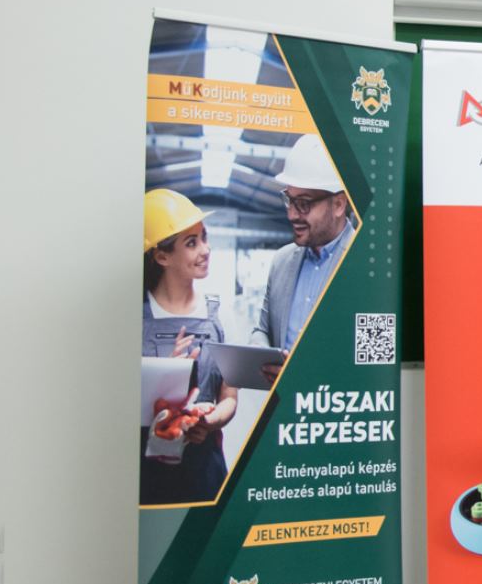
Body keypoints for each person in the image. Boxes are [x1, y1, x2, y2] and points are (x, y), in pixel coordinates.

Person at [140, 189, 239, 505]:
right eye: (192, 243)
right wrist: (164, 378)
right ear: (162, 256)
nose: (206, 250)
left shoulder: (219, 316)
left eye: (204, 238)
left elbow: (229, 397)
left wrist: (209, 422)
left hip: (205, 473)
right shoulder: (134, 320)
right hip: (146, 477)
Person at [251, 133, 355, 378]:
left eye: (304, 203)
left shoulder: (365, 263)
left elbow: (375, 354)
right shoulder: (281, 261)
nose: (292, 215)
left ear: (339, 204)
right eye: (289, 200)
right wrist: (262, 354)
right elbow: (262, 330)